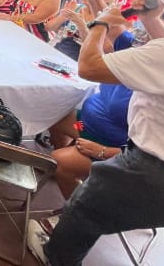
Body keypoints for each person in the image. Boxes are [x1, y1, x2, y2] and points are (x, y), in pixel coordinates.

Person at [27, 0, 164, 266]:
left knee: (82, 207)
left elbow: (89, 66)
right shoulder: (149, 55)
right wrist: (150, 19)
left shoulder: (149, 62)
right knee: (59, 118)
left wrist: (97, 24)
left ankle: (57, 253)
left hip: (125, 153)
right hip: (85, 128)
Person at [46, 30, 136, 200]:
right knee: (54, 115)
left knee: (59, 161)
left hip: (109, 147)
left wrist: (103, 151)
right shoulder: (132, 49)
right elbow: (112, 25)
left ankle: (75, 212)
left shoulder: (157, 93)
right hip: (83, 126)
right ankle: (69, 170)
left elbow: (148, 152)